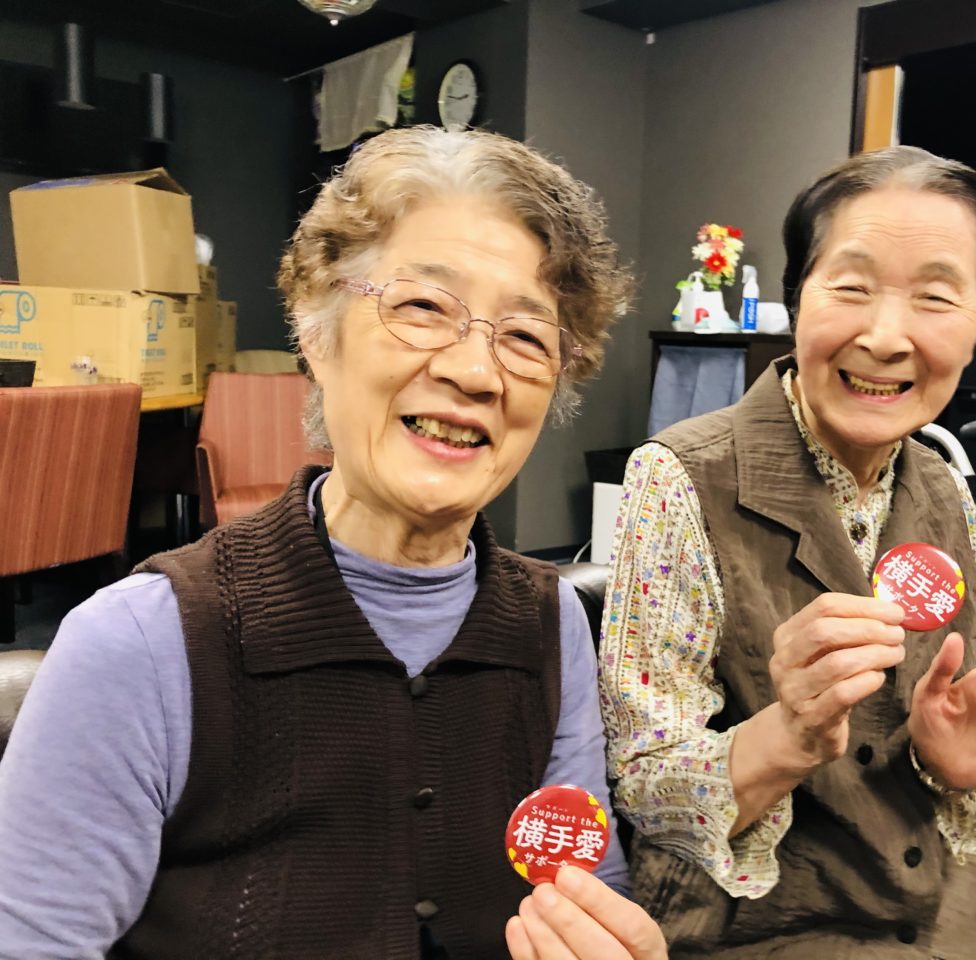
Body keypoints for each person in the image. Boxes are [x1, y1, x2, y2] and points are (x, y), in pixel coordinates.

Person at [0, 126, 665, 960]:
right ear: (316, 333)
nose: (476, 371)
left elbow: (582, 887)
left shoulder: (552, 621)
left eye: (527, 338)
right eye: (423, 307)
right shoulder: (141, 641)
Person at [598, 145, 976, 958]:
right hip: (761, 921)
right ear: (798, 300)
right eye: (850, 287)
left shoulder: (945, 490)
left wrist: (948, 761)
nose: (885, 338)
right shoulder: (680, 477)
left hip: (943, 895)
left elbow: (954, 743)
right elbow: (647, 793)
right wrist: (786, 734)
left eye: (936, 297)